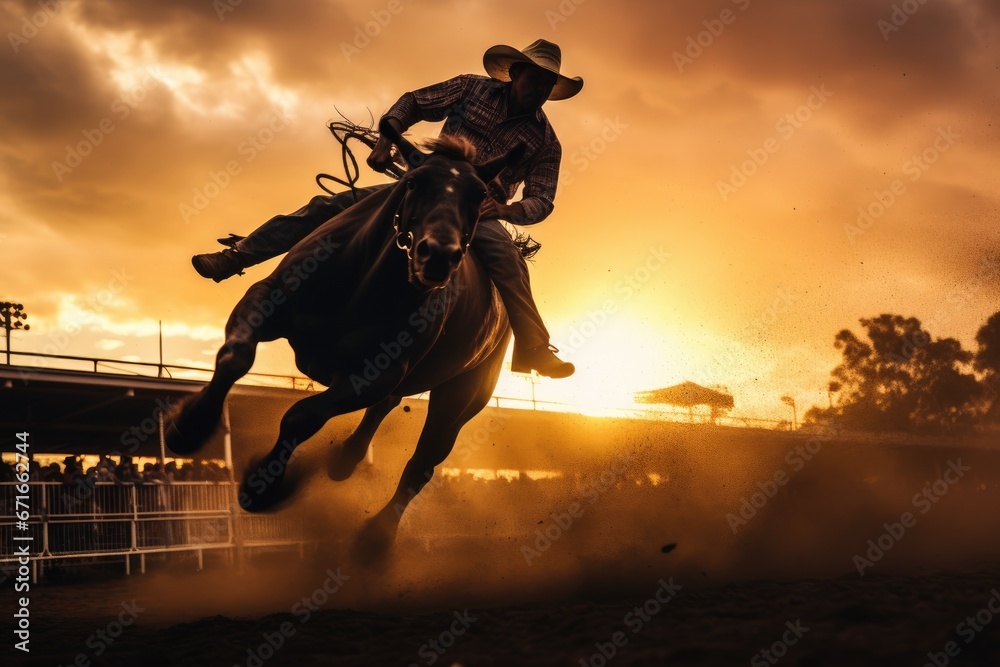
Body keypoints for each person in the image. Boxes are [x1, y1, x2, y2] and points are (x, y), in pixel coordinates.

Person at [191, 39, 583, 378]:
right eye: (535, 78)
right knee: (329, 206)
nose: (540, 87)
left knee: (508, 261)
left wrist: (506, 210)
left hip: (478, 212)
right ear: (516, 73)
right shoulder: (471, 88)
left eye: (548, 83)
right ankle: (236, 256)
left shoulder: (546, 140)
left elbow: (542, 197)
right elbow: (414, 102)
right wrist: (385, 140)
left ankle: (533, 347)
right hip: (425, 191)